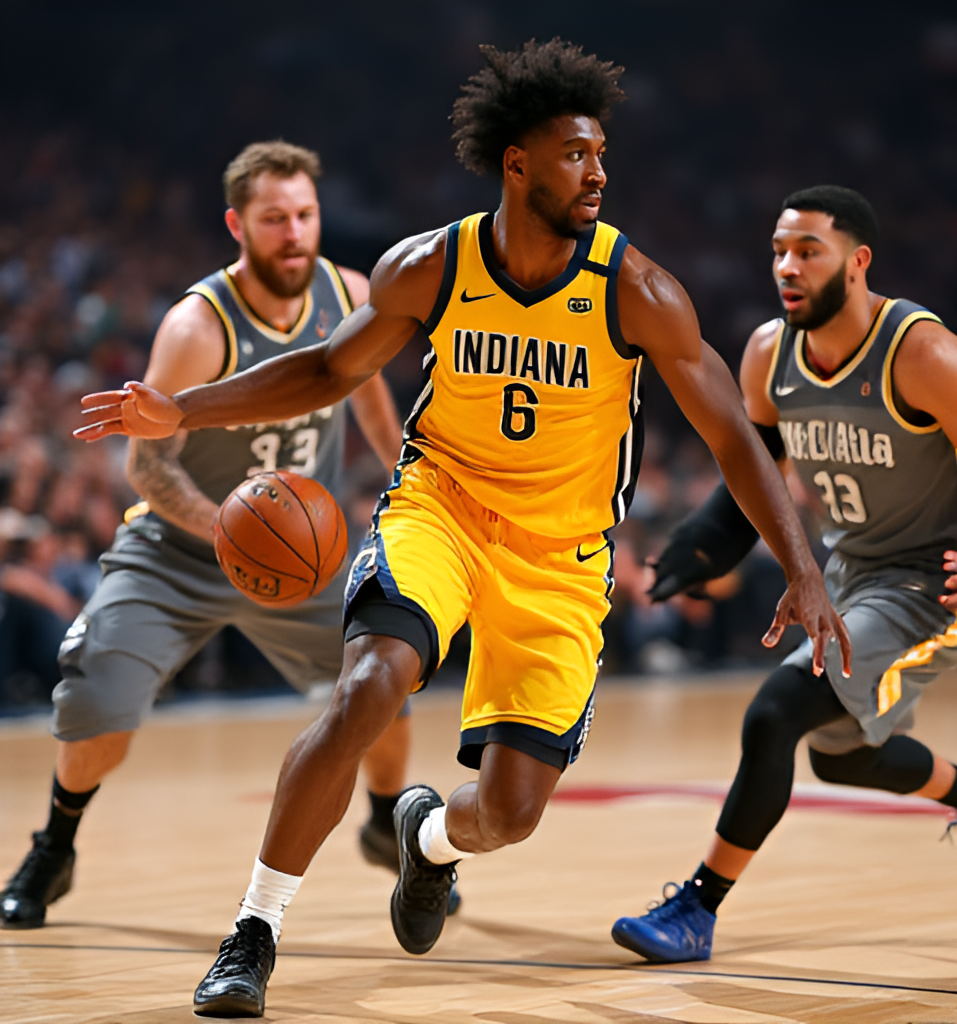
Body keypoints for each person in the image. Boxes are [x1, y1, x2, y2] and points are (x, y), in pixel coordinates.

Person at [77, 42, 848, 1018]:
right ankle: (254, 929)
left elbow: (733, 434)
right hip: (439, 511)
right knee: (367, 688)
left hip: (560, 557)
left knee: (512, 814)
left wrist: (802, 565)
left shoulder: (634, 289)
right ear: (516, 163)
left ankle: (428, 838)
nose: (598, 172)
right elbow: (325, 368)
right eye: (575, 154)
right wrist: (181, 411)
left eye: (602, 153)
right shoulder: (430, 265)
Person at [0, 140, 446, 930]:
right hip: (180, 549)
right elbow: (148, 467)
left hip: (302, 557)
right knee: (99, 692)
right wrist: (228, 531)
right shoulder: (196, 326)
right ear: (238, 224)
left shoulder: (348, 294)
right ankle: (54, 845)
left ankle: (383, 823)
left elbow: (372, 401)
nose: (295, 232)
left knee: (384, 681)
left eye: (305, 215)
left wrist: (409, 477)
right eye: (275, 219)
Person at [612, 185, 957, 963]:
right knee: (841, 753)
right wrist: (707, 539)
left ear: (858, 262)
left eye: (808, 251)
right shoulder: (769, 352)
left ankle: (696, 909)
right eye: (778, 251)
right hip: (850, 572)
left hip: (932, 584)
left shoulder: (923, 354)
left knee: (775, 712)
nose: (787, 267)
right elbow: (758, 466)